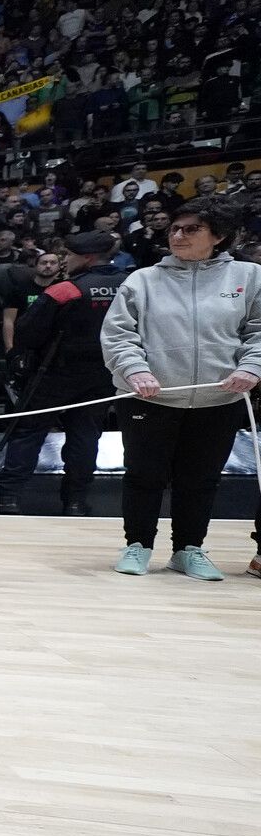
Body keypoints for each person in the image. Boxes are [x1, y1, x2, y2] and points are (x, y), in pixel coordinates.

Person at [102, 196, 261, 579]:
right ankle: (137, 545)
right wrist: (135, 370)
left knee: (201, 480)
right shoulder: (142, 280)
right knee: (144, 475)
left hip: (219, 398)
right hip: (149, 397)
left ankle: (188, 549)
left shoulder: (249, 277)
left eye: (192, 229)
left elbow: (258, 331)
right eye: (175, 228)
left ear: (218, 236)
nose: (178, 235)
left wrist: (253, 367)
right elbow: (118, 335)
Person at [0, 232, 131, 516]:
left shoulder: (66, 290)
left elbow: (27, 331)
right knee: (85, 437)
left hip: (55, 373)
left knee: (28, 433)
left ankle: (6, 496)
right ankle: (75, 501)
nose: (63, 262)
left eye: (68, 256)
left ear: (87, 257)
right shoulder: (130, 285)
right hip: (104, 374)